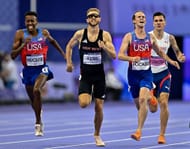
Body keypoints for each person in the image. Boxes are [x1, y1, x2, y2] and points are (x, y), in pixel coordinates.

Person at [117, 11, 180, 142]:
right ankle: (152, 100)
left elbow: (160, 52)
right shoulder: (129, 36)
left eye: (143, 17)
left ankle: (139, 131)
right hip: (133, 75)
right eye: (139, 17)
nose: (142, 18)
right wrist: (131, 58)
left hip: (147, 74)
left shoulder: (150, 38)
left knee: (145, 100)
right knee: (143, 107)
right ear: (134, 21)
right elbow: (120, 55)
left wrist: (171, 61)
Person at [66, 8, 116, 146]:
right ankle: (88, 95)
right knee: (83, 104)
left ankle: (97, 135)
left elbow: (114, 55)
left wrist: (104, 47)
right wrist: (69, 63)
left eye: (96, 16)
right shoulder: (80, 34)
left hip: (99, 76)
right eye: (90, 16)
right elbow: (69, 46)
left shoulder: (105, 35)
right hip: (86, 76)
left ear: (99, 19)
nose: (93, 18)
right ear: (87, 20)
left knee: (99, 107)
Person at [11, 11, 65, 136]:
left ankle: (38, 123)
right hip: (28, 70)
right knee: (32, 99)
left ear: (36, 22)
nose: (30, 23)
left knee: (36, 90)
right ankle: (38, 113)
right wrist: (23, 45)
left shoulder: (44, 33)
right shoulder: (20, 34)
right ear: (25, 22)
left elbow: (53, 42)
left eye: (32, 21)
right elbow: (13, 55)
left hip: (42, 68)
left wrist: (63, 54)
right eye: (28, 21)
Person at [149, 12, 186, 144]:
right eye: (156, 20)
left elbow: (177, 52)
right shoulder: (148, 37)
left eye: (161, 20)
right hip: (149, 75)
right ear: (153, 23)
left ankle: (162, 134)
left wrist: (180, 57)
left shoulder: (170, 38)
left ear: (164, 23)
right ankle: (150, 98)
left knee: (164, 103)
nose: (158, 22)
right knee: (153, 109)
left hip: (164, 73)